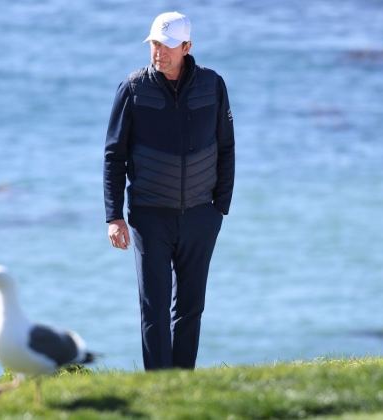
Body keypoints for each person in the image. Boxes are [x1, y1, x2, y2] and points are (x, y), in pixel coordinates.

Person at [103, 11, 235, 370]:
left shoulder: (212, 85)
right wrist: (114, 216)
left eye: (168, 45)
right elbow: (114, 155)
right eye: (155, 44)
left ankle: (182, 382)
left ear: (187, 47)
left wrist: (219, 208)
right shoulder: (132, 89)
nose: (159, 52)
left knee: (191, 307)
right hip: (150, 216)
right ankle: (159, 385)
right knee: (154, 307)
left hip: (200, 216)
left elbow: (226, 147)